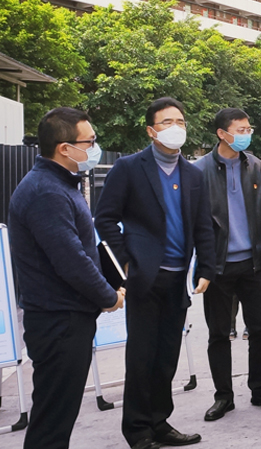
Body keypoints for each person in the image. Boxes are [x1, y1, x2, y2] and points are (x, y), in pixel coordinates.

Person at [94, 98, 217, 449]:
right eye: (167, 122)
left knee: (166, 357)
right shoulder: (129, 168)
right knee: (141, 357)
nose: (175, 127)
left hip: (178, 278)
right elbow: (105, 218)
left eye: (180, 121)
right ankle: (138, 430)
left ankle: (160, 422)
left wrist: (206, 266)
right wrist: (126, 262)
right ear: (151, 130)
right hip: (144, 278)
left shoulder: (193, 174)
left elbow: (203, 225)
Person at [8, 107, 125, 449]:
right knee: (52, 422)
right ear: (64, 148)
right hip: (58, 321)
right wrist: (109, 296)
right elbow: (70, 260)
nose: (94, 148)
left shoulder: (59, 184)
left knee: (56, 415)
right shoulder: (46, 192)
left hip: (65, 317)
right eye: (89, 142)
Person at [194, 108, 261, 422]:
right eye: (241, 129)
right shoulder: (200, 170)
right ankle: (224, 396)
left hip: (253, 264)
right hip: (218, 266)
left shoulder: (255, 166)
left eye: (249, 128)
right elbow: (196, 222)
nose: (247, 134)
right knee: (219, 334)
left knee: (260, 330)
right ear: (222, 133)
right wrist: (203, 265)